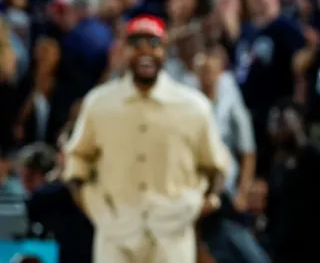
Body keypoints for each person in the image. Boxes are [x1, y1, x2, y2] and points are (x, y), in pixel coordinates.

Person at [62, 15, 231, 263]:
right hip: (116, 229)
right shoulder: (99, 104)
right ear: (124, 50)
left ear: (165, 50)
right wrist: (91, 205)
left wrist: (204, 203)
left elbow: (216, 164)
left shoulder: (193, 106)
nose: (145, 52)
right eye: (136, 44)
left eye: (153, 44)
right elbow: (77, 159)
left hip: (172, 231)